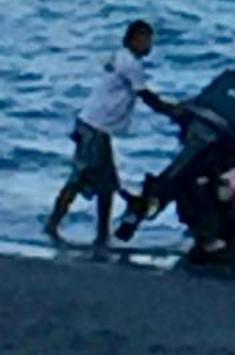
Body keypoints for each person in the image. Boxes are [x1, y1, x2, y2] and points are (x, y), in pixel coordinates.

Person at [46, 20, 179, 246]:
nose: (150, 45)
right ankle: (53, 225)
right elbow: (146, 96)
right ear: (134, 39)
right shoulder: (131, 64)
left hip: (94, 126)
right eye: (147, 40)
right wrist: (173, 111)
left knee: (107, 185)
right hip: (95, 128)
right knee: (79, 179)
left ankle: (102, 234)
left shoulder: (119, 57)